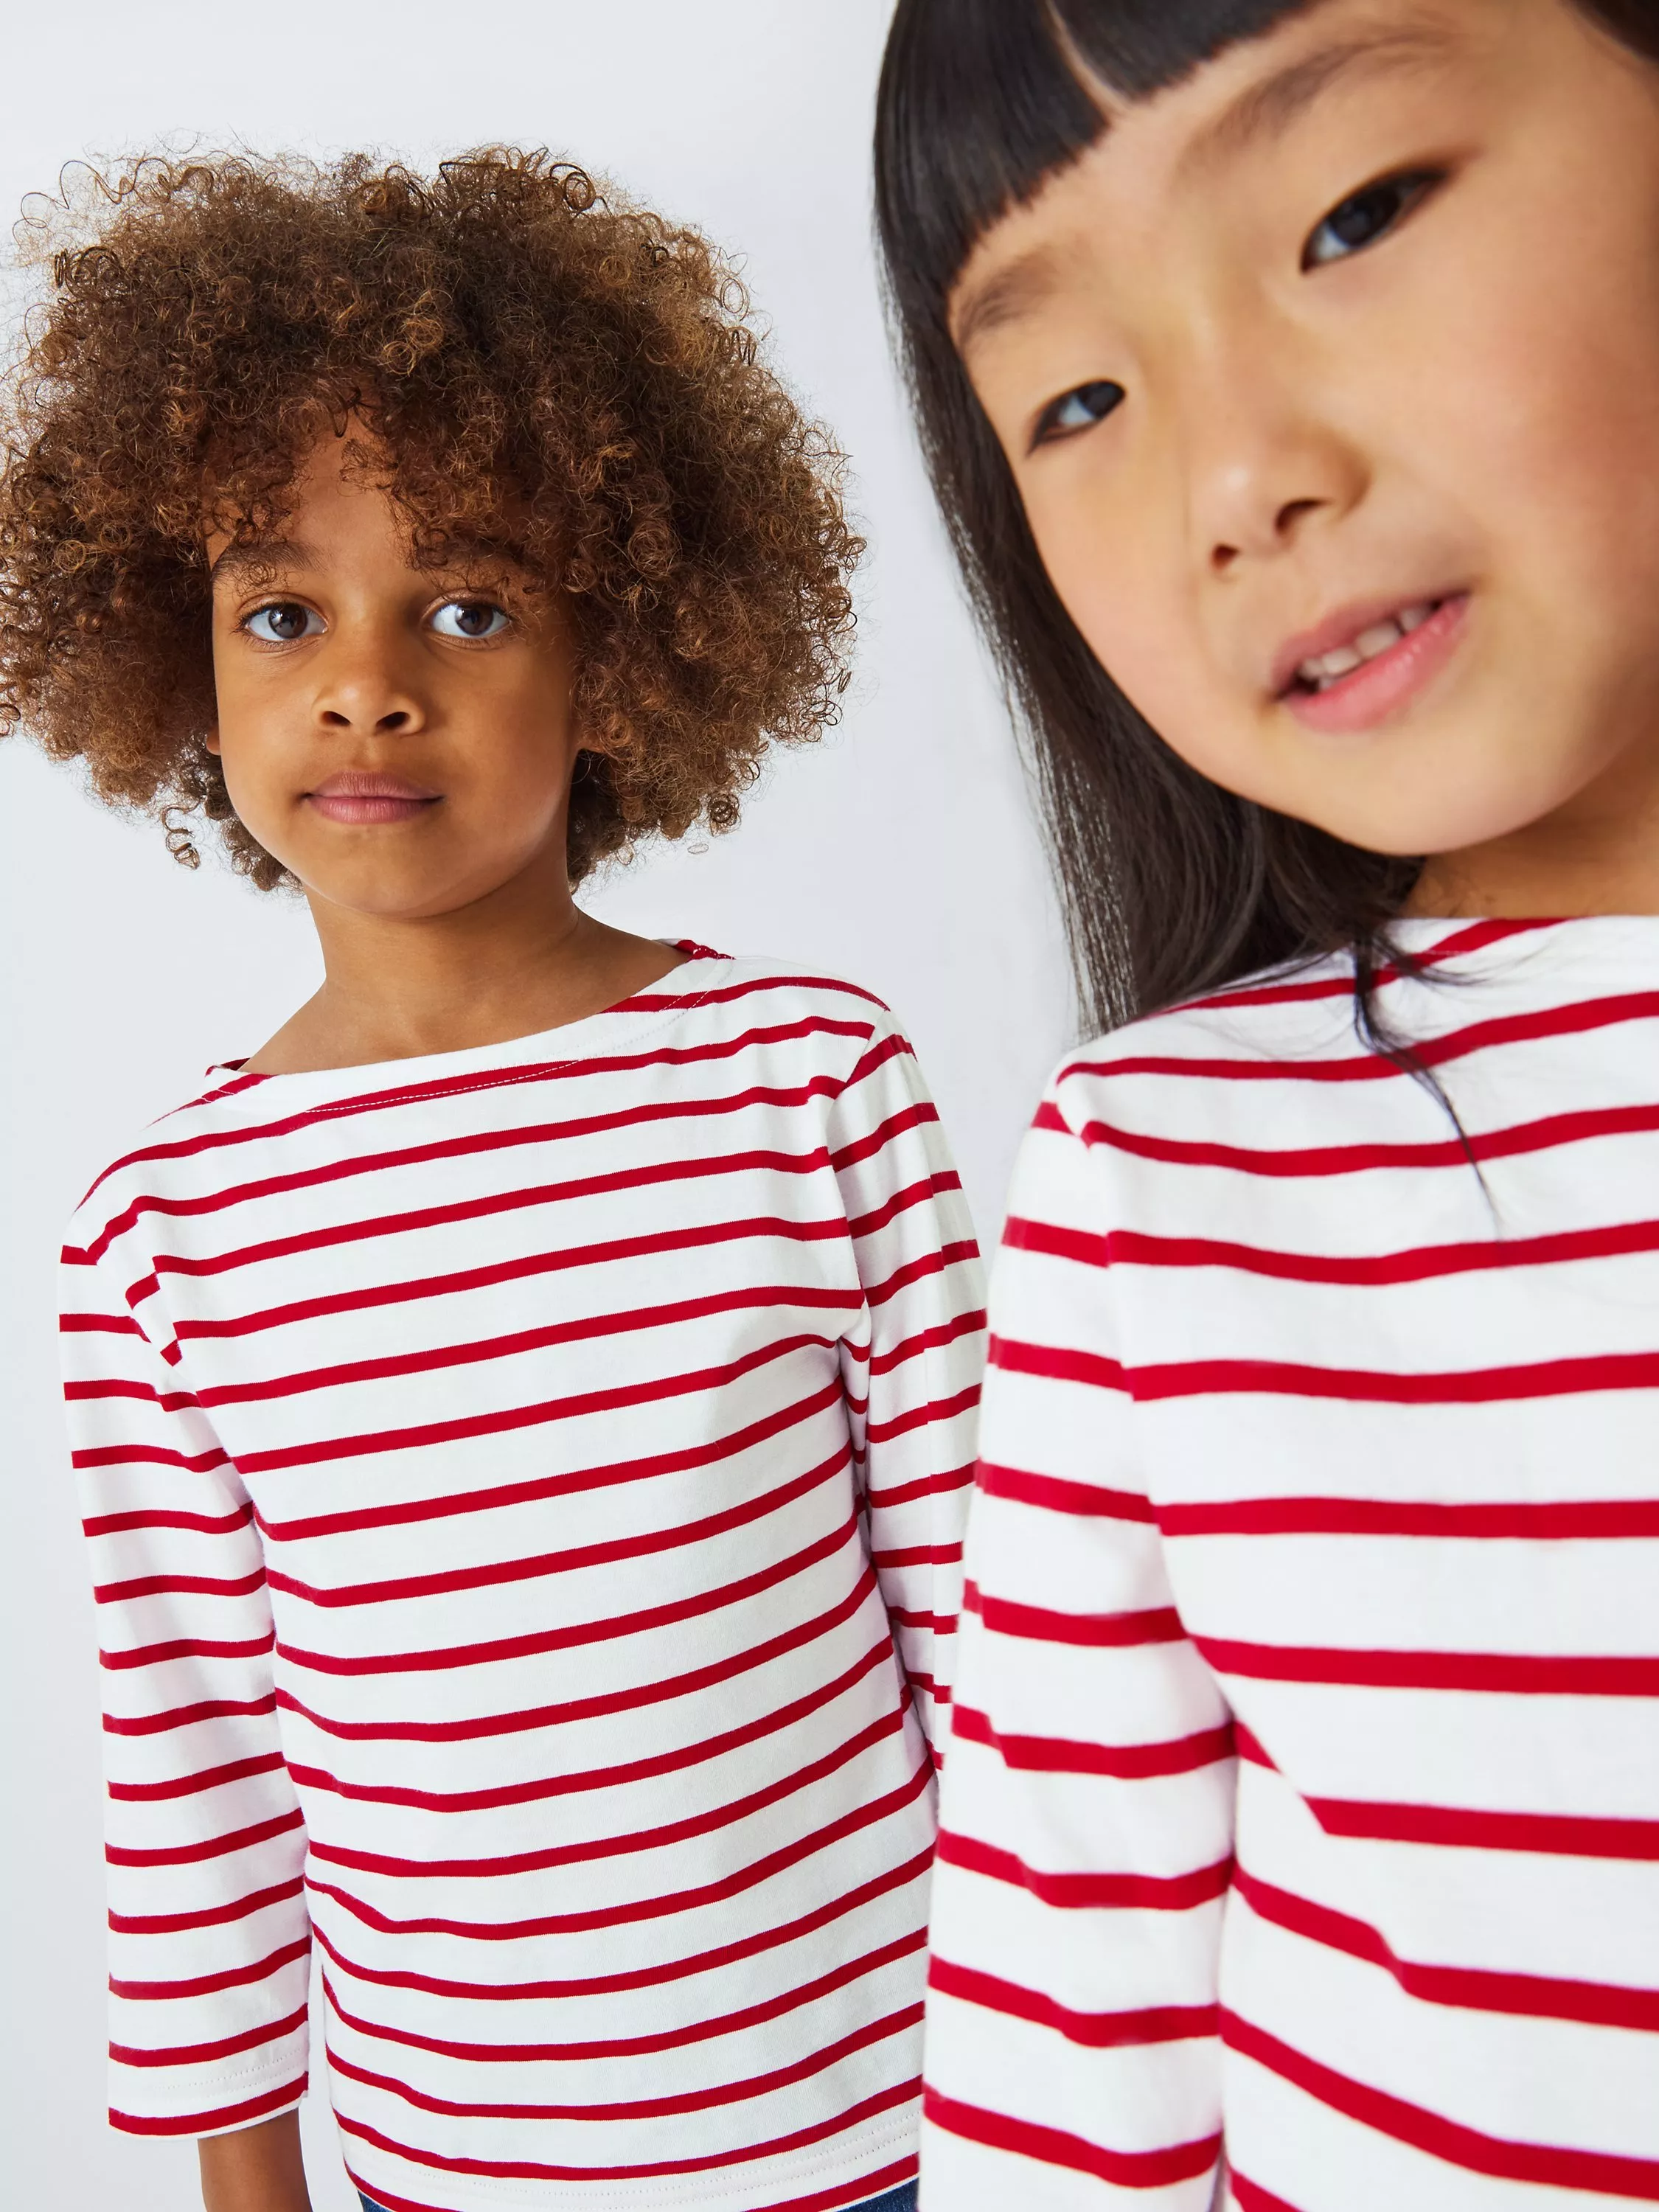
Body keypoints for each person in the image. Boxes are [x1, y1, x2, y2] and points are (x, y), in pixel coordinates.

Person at [1, 151, 982, 2212]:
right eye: (283, 612)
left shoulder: (806, 1087)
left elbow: (1006, 1642)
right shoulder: (161, 1234)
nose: (366, 682)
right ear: (181, 662)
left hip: (904, 2131)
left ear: (621, 648)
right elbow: (199, 1776)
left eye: (469, 603)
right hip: (455, 2172)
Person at [874, 0, 1659, 2204]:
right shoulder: (1159, 1169)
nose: (1240, 483)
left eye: (1356, 212)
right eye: (1078, 400)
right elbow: (1071, 1995)